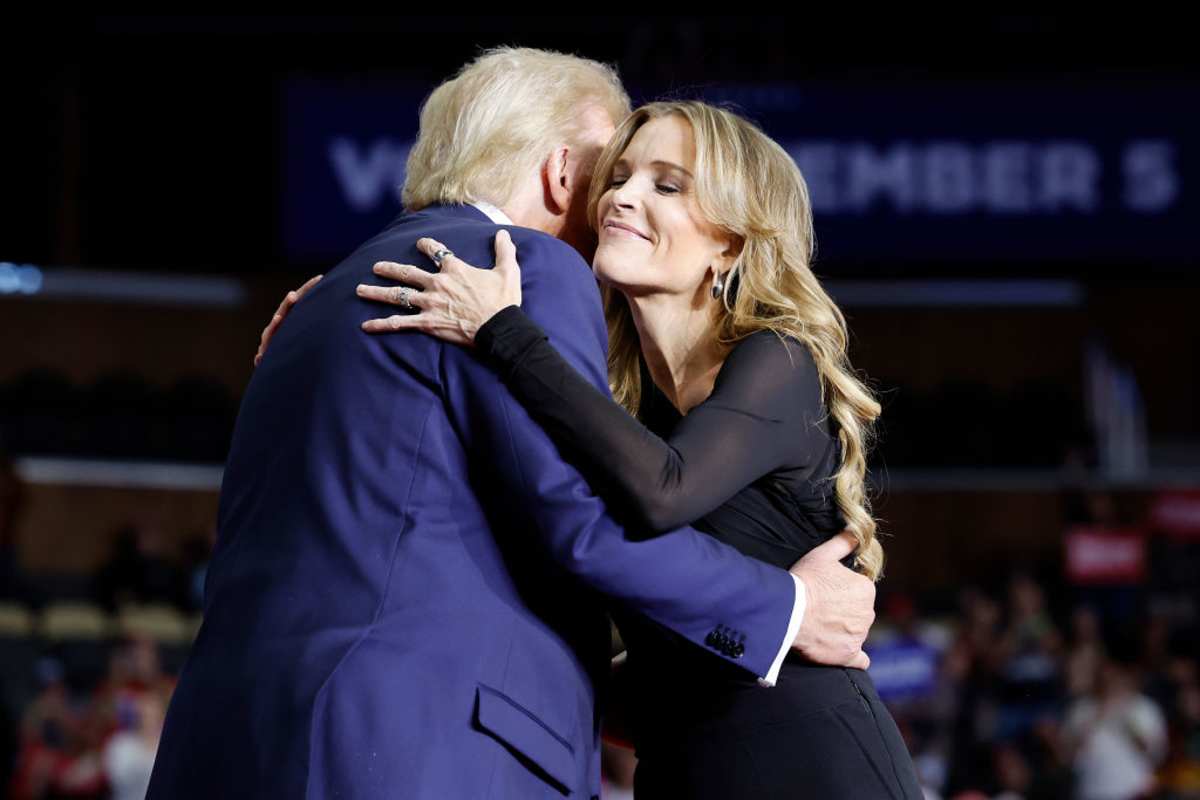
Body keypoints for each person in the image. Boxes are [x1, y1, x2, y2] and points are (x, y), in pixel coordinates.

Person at [151, 49, 876, 800]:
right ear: (564, 175)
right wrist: (788, 610)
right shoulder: (523, 272)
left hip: (230, 733)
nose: (614, 204)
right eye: (611, 176)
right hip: (414, 746)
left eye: (661, 183)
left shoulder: (319, 303)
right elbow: (583, 527)